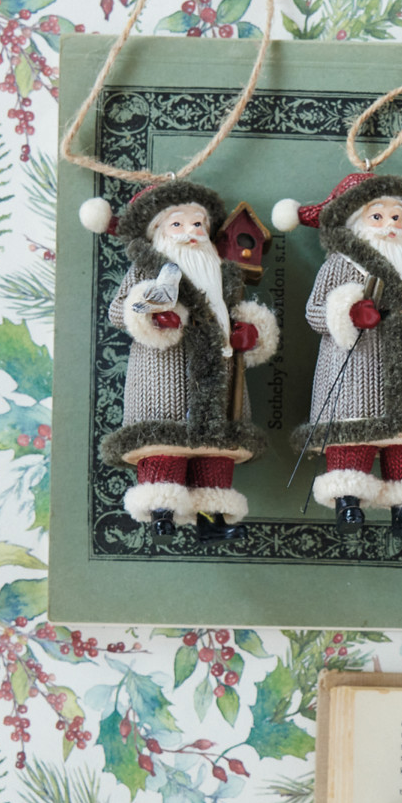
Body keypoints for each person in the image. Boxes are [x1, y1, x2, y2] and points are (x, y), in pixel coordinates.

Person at [275, 173, 402, 533]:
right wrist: (349, 312)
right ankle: (347, 502)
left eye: (396, 217)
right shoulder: (341, 264)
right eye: (378, 216)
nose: (390, 225)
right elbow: (314, 312)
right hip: (357, 368)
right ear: (357, 222)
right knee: (354, 434)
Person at [99, 181, 278, 542]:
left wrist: (251, 332)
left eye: (198, 224)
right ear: (158, 231)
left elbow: (234, 312)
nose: (190, 232)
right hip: (162, 377)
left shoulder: (221, 272)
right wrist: (152, 314)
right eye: (177, 224)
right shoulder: (147, 267)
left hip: (220, 379)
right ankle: (161, 514)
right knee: (164, 446)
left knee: (215, 453)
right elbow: (118, 311)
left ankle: (212, 518)